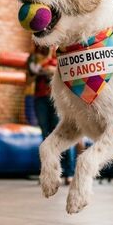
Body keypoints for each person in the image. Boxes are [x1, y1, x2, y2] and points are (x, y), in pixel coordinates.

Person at [28, 45, 75, 184]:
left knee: (63, 135)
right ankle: (49, 174)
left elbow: (70, 74)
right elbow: (28, 80)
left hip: (58, 99)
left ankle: (68, 172)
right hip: (40, 99)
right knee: (45, 136)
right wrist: (38, 72)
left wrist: (52, 71)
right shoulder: (34, 58)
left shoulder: (61, 53)